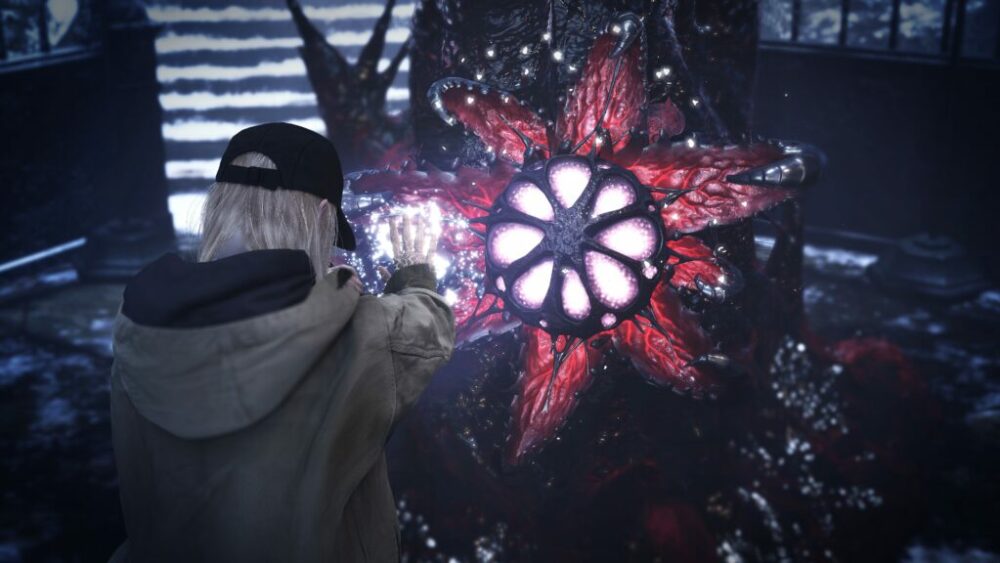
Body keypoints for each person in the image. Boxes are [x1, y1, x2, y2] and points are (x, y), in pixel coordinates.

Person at [107, 122, 455, 562]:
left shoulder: (141, 326)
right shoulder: (353, 331)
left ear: (218, 206)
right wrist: (414, 272)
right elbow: (428, 329)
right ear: (323, 216)